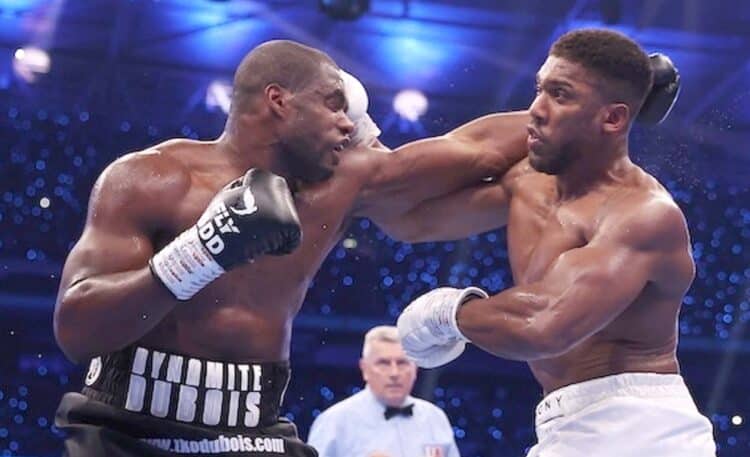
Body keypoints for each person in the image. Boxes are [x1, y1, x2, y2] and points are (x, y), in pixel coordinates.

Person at [52, 39, 530, 456]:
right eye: (333, 105)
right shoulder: (150, 179)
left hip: (255, 432)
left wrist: (581, 112)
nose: (350, 124)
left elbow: (477, 152)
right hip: (128, 432)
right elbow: (77, 330)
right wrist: (202, 251)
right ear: (279, 101)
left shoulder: (342, 184)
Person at [395, 29, 717, 456]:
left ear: (614, 119)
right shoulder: (527, 181)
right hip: (571, 423)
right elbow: (410, 217)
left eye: (560, 94)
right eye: (539, 88)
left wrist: (447, 314)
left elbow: (543, 325)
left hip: (638, 426)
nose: (535, 109)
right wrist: (351, 150)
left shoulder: (644, 215)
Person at [308, 326, 459, 457]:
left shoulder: (435, 418)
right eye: (384, 363)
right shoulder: (334, 422)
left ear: (415, 368)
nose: (394, 373)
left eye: (402, 363)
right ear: (365, 368)